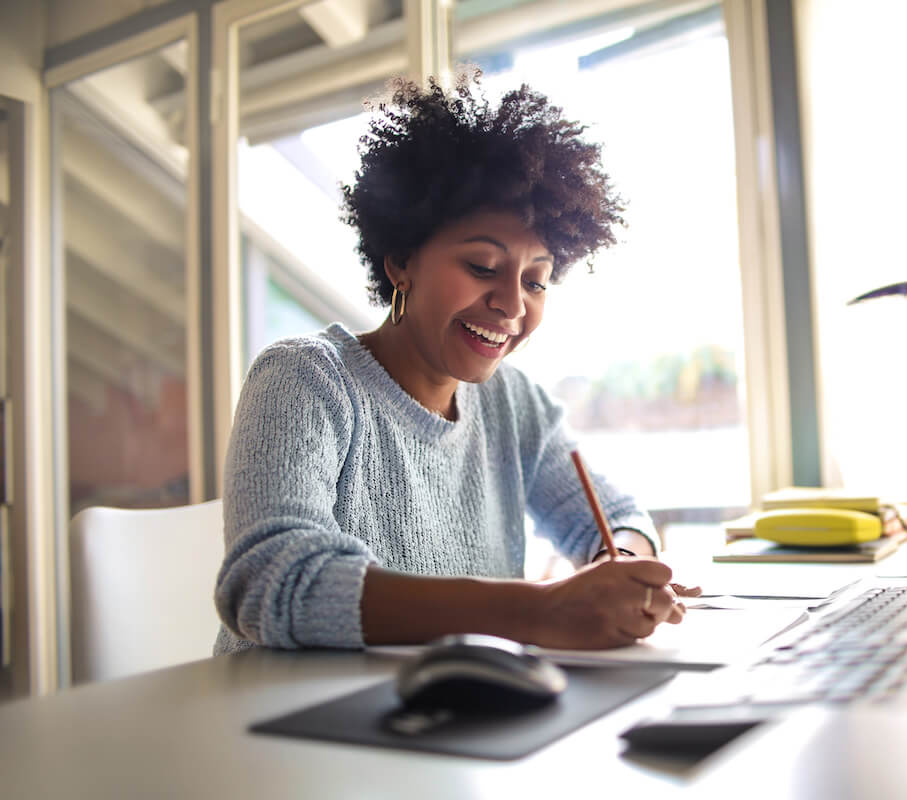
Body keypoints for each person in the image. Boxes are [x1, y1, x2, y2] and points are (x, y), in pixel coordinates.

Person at [214, 70, 699, 655]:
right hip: (287, 722)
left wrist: (619, 564)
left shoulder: (512, 402)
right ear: (400, 260)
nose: (512, 304)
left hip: (455, 714)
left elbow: (615, 515)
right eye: (482, 267)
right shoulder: (307, 379)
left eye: (537, 281)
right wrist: (539, 611)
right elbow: (272, 583)